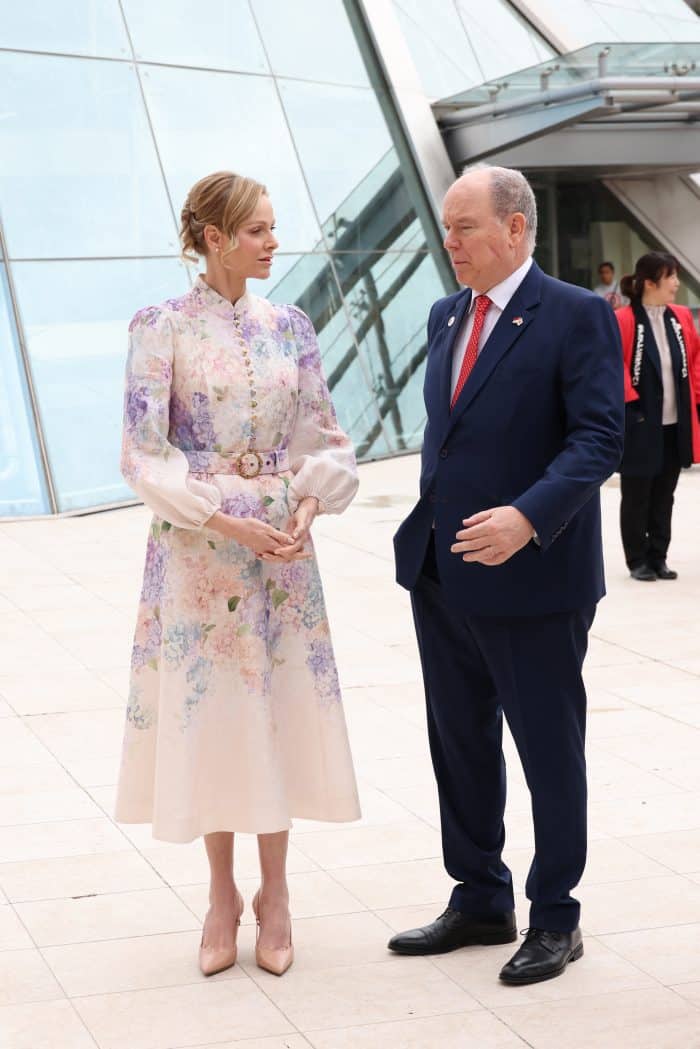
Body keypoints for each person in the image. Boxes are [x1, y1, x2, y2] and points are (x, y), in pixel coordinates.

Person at [115, 170, 361, 978]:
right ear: (214, 239)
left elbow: (325, 437)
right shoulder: (161, 327)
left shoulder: (292, 327)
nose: (272, 241)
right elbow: (142, 454)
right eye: (257, 229)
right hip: (201, 550)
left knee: (278, 707)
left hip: (283, 552)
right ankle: (221, 894)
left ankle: (277, 892)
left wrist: (307, 507)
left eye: (271, 226)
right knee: (216, 711)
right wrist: (224, 521)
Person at [391, 164, 624, 986]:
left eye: (465, 227)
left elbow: (599, 438)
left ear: (515, 228)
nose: (449, 241)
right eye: (447, 227)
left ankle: (556, 914)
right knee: (459, 745)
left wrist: (527, 517)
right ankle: (481, 897)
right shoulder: (445, 313)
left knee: (548, 752)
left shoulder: (576, 314)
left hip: (535, 580)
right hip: (442, 572)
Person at [616, 252, 700, 581]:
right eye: (671, 277)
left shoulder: (681, 317)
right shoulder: (624, 319)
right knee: (636, 495)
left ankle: (658, 556)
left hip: (674, 424)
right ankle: (637, 559)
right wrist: (632, 408)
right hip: (640, 423)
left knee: (665, 496)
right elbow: (614, 365)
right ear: (650, 283)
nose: (677, 283)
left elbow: (694, 359)